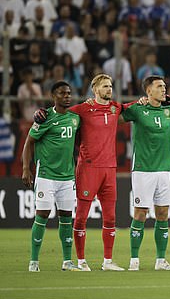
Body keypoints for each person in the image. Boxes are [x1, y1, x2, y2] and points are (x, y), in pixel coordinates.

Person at [33, 74, 134, 271]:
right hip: (88, 168)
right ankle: (80, 261)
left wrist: (144, 100)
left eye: (110, 86)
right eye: (105, 86)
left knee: (111, 217)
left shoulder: (115, 108)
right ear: (95, 90)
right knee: (81, 217)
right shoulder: (82, 110)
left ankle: (107, 261)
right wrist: (40, 112)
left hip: (109, 169)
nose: (109, 89)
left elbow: (132, 107)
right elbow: (58, 113)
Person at [22, 81, 81, 272]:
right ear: (53, 96)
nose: (67, 96)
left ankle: (67, 261)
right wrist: (26, 168)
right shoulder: (44, 118)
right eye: (62, 93)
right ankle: (34, 261)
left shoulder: (75, 118)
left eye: (69, 93)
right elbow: (29, 142)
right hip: (46, 175)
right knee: (42, 215)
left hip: (67, 177)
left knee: (66, 217)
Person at [122, 76, 170, 271]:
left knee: (163, 214)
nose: (164, 89)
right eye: (159, 86)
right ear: (148, 91)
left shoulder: (169, 110)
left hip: (163, 170)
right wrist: (134, 102)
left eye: (164, 86)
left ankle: (161, 260)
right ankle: (134, 260)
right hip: (143, 169)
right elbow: (117, 112)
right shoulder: (138, 110)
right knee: (140, 213)